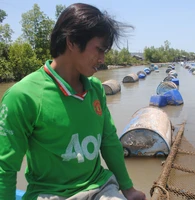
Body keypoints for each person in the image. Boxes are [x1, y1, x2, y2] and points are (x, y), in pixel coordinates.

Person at [0, 3, 146, 200]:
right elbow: (5, 168)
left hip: (100, 187)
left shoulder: (95, 89)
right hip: (50, 193)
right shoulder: (23, 96)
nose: (103, 59)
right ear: (72, 42)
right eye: (99, 50)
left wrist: (128, 189)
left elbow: (110, 142)